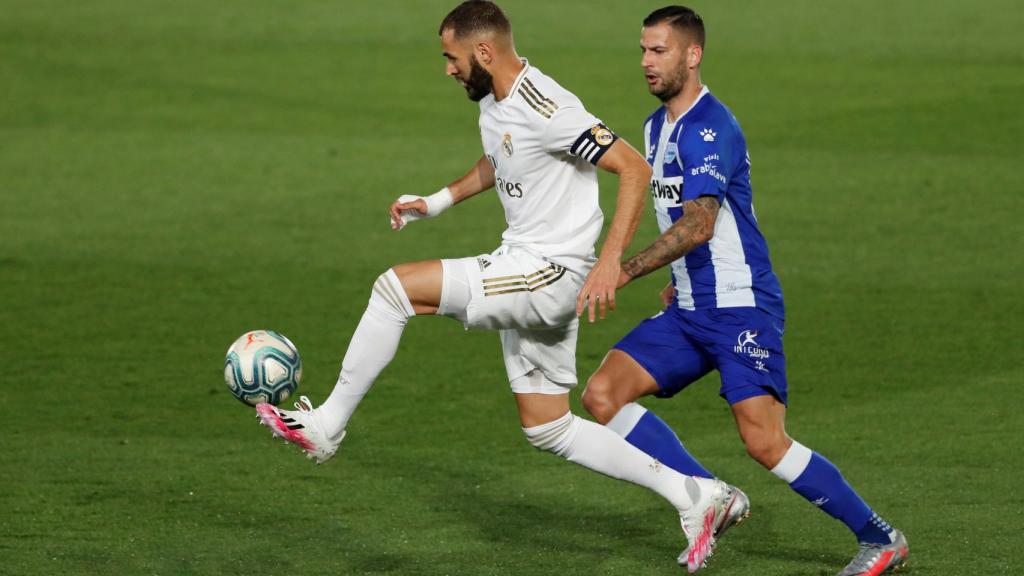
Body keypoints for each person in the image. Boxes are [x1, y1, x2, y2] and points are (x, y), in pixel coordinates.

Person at [256, 1, 734, 571]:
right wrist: (434, 202)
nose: (448, 69)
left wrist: (611, 264)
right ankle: (698, 495)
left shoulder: (547, 104)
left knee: (396, 288)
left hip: (549, 274)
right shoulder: (496, 100)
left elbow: (633, 167)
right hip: (529, 267)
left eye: (451, 57)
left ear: (484, 51)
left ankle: (327, 426)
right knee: (549, 426)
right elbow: (502, 157)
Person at [579, 6, 909, 575]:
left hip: (740, 308)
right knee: (603, 395)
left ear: (692, 54)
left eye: (658, 51)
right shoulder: (657, 127)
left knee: (765, 443)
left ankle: (880, 537)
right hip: (689, 307)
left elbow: (700, 223)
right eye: (642, 50)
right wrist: (677, 282)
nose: (646, 63)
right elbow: (679, 219)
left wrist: (623, 270)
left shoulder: (712, 127)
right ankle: (711, 494)